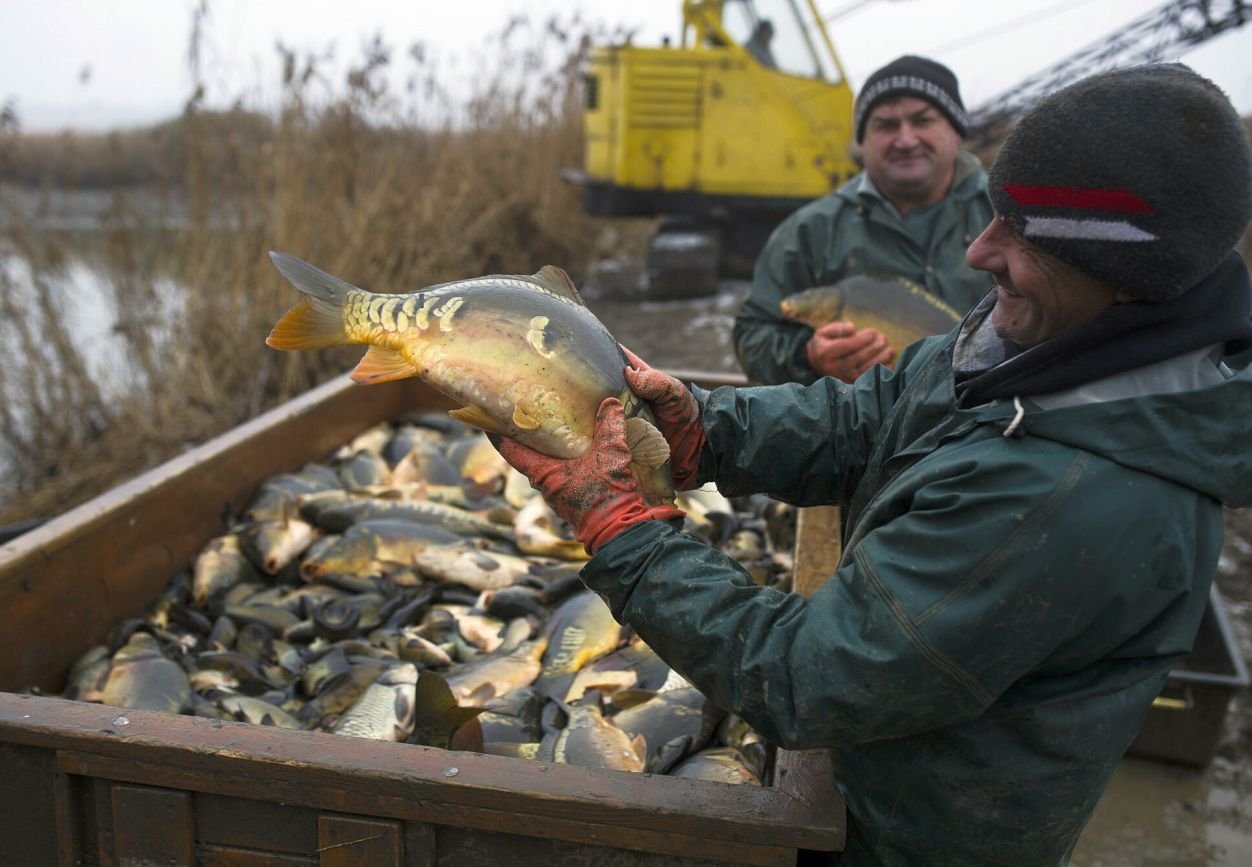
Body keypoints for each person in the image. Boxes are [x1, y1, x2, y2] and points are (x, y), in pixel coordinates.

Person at [492, 63, 1252, 865]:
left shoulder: (1068, 497)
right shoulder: (1043, 339)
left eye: (1021, 234)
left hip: (916, 839)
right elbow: (870, 415)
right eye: (995, 213)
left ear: (1122, 270)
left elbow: (804, 677)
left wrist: (624, 530)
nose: (978, 248)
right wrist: (704, 430)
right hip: (880, 766)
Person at [734, 55, 995, 385]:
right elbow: (751, 336)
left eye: (922, 121)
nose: (905, 140)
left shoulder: (1005, 214)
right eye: (885, 125)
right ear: (862, 140)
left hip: (990, 417)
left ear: (956, 131)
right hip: (864, 429)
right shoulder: (810, 230)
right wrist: (808, 357)